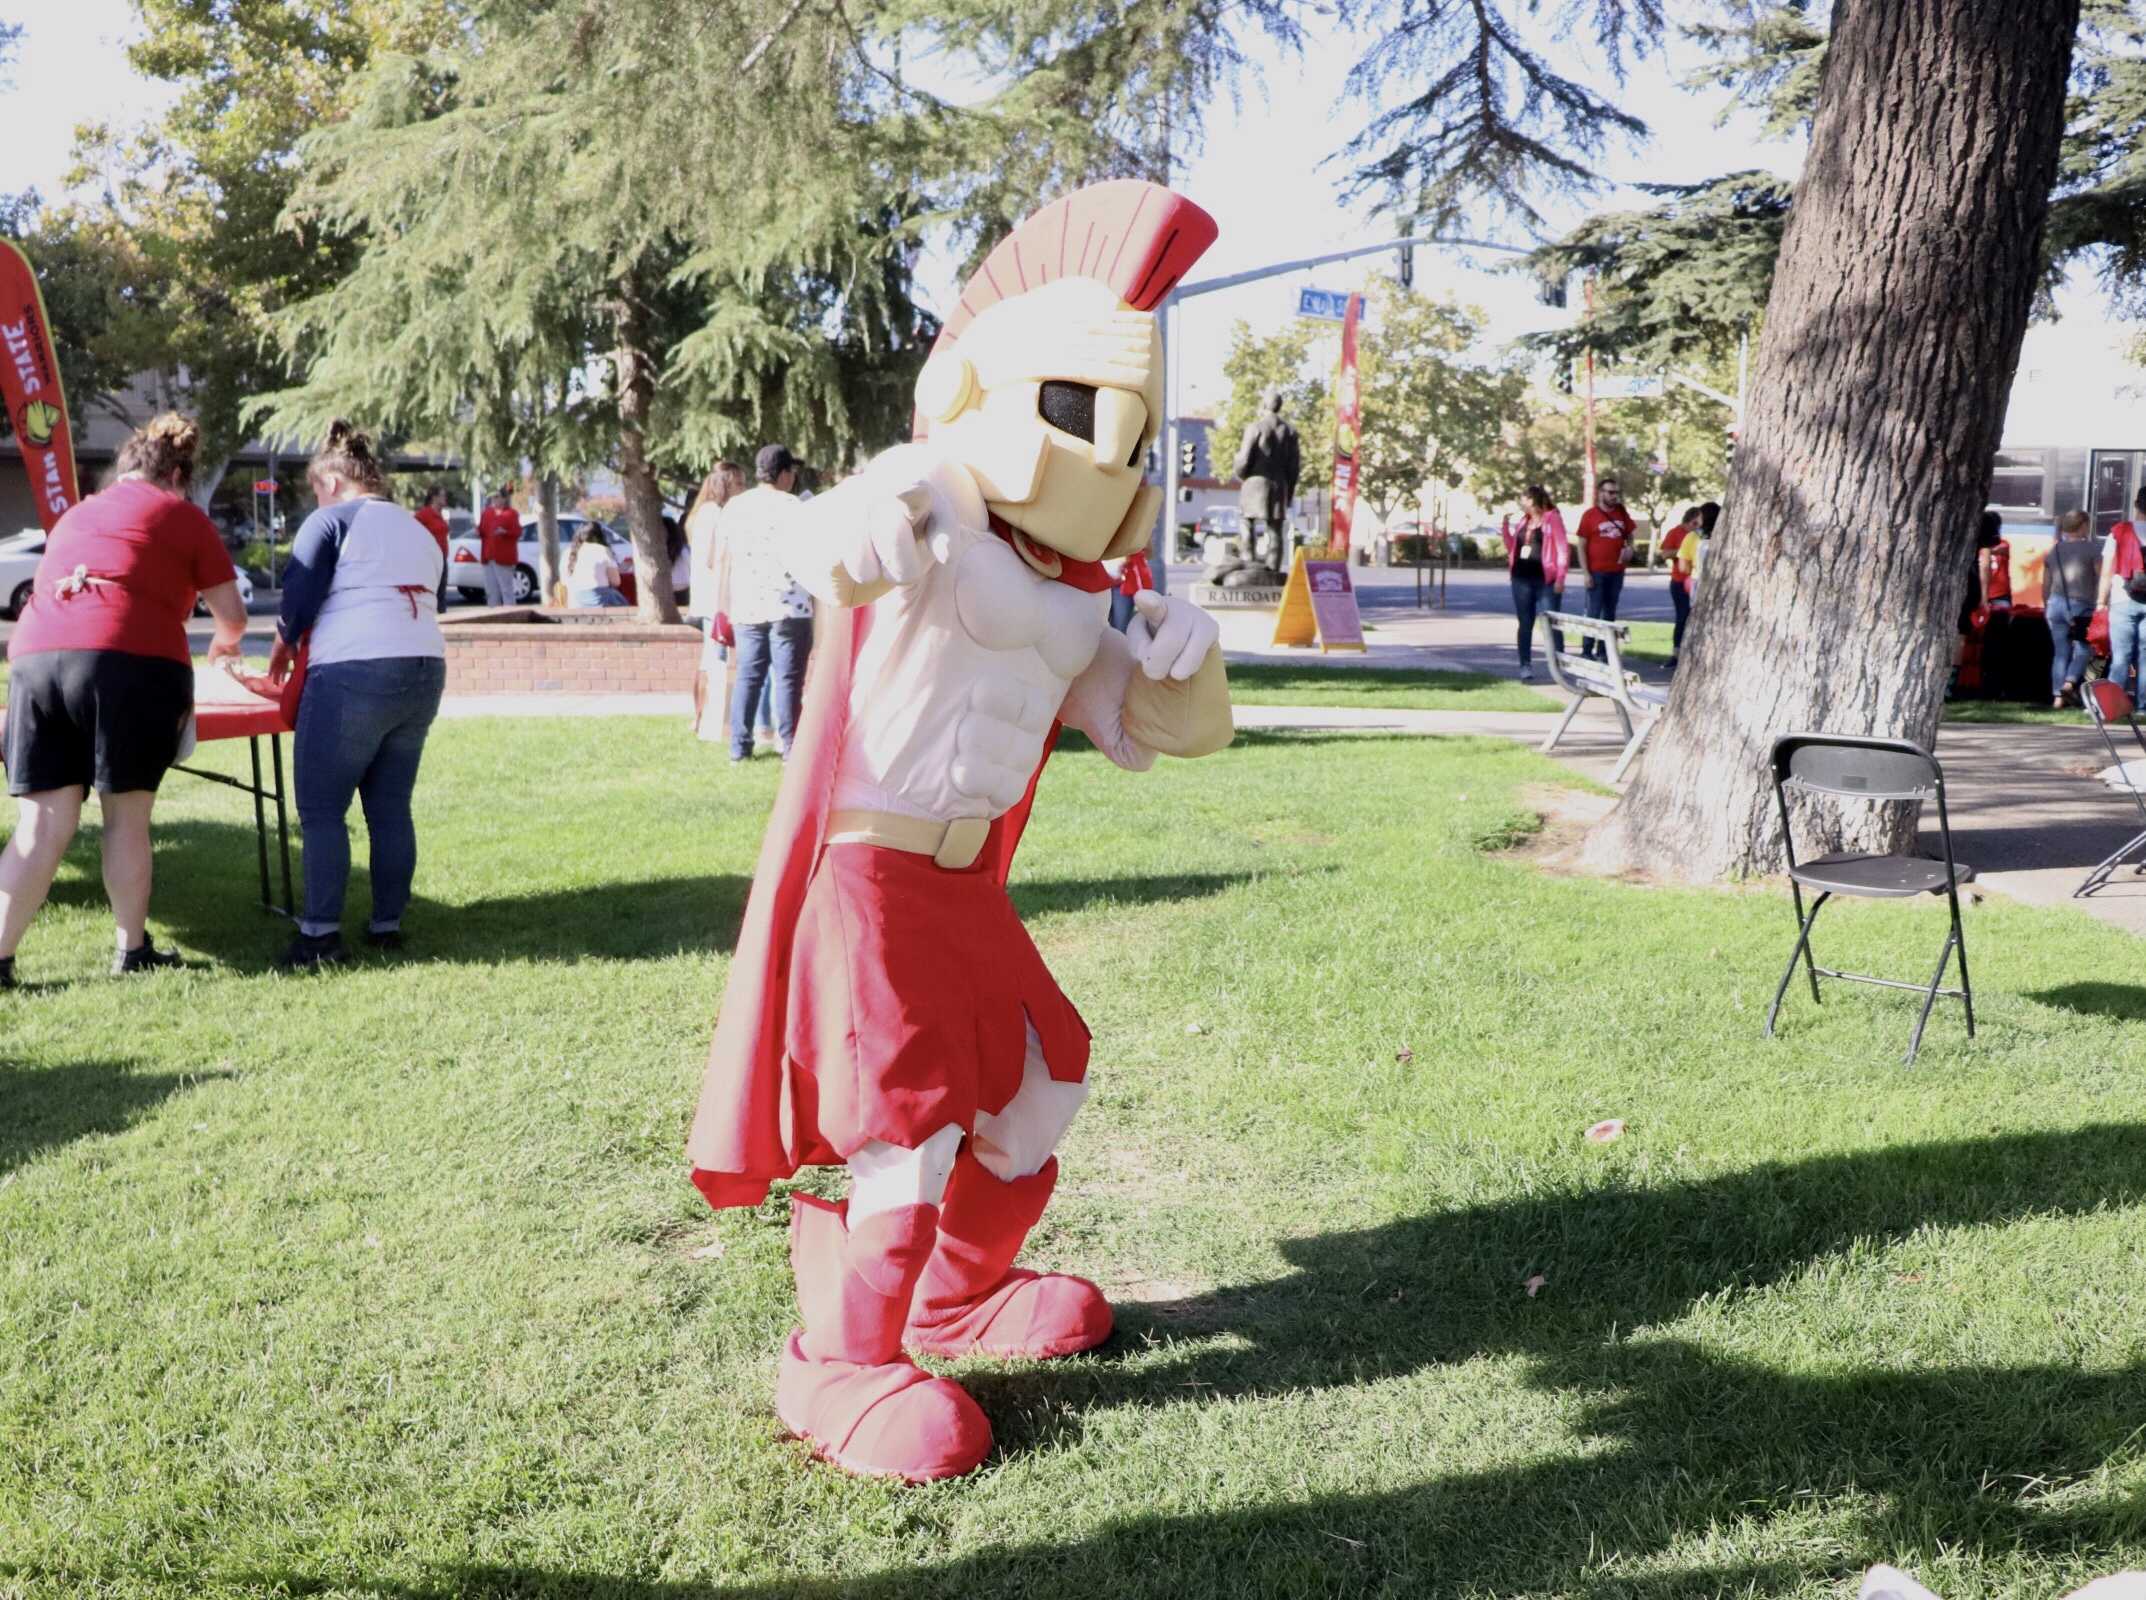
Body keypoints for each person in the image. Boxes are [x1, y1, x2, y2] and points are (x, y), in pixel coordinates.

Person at [684, 177, 1231, 1484]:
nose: (1108, 456)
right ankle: (839, 1359)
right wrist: (875, 506)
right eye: (1079, 409)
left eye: (1133, 433)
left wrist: (1187, 653)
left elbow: (1170, 733)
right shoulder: (937, 507)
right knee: (904, 1127)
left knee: (1045, 1083)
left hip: (963, 892)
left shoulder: (1074, 600)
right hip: (867, 880)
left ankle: (955, 1301)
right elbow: (847, 545)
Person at [0, 414, 247, 986]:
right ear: (179, 475)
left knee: (40, 824)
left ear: (124, 470)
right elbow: (231, 617)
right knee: (126, 816)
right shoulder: (180, 515)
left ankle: (1, 957)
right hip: (126, 657)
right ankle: (132, 950)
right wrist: (223, 649)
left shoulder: (76, 516)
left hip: (36, 656)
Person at [271, 422, 447, 969]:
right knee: (391, 806)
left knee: (323, 809)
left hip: (353, 667)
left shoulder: (330, 521)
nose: (315, 499)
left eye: (316, 489)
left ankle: (320, 936)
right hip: (423, 666)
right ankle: (387, 924)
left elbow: (298, 599)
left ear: (331, 479)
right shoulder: (418, 528)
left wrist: (278, 651)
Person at [720, 444, 814, 761]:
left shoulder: (735, 507)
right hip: (790, 604)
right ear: (785, 474)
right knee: (788, 680)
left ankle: (739, 747)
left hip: (747, 605)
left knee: (748, 676)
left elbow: (724, 555)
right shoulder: (796, 507)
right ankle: (790, 746)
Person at [1502, 485, 1569, 680]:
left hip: (1545, 580)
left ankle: (1559, 665)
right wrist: (1505, 527)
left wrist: (1560, 577)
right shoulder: (1524, 522)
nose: (1521, 503)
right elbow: (1511, 547)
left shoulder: (1552, 519)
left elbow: (1563, 549)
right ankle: (1525, 665)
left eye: (1524, 499)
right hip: (1521, 579)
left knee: (1551, 622)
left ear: (1533, 500)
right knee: (1525, 623)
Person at [1576, 474, 1637, 659]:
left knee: (1609, 613)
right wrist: (1586, 573)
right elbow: (1581, 545)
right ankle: (1587, 650)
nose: (1614, 496)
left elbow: (1629, 533)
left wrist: (1630, 548)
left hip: (1616, 572)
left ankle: (1604, 650)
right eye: (1610, 492)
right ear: (1600, 493)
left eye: (1616, 493)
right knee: (1593, 612)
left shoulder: (1621, 512)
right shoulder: (1590, 516)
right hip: (1597, 571)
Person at [2045, 509, 2101, 707]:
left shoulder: (2055, 550)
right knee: (2084, 650)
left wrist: (2046, 605)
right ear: (2083, 525)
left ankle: (2057, 698)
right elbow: (2100, 578)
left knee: (2060, 652)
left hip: (2054, 604)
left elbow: (2046, 583)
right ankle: (2069, 683)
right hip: (2081, 606)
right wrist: (2101, 602)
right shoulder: (2092, 549)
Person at [2097, 487, 2146, 703]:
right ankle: (2143, 706)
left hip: (2122, 599)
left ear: (2136, 504)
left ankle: (2113, 705)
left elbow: (2107, 570)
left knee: (2121, 657)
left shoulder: (2119, 531)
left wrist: (2101, 601)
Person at [1662, 504, 1702, 667]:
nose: (1696, 527)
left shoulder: (1700, 535)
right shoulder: (1676, 533)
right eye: (1693, 523)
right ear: (1687, 522)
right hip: (1680, 581)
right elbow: (1665, 553)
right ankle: (1676, 653)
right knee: (1682, 616)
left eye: (1698, 524)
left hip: (1696, 581)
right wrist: (1683, 549)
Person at [476, 485, 520, 608]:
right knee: (491, 592)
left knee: (506, 591)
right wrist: (478, 531)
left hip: (504, 558)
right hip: (488, 557)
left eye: (497, 497)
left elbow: (517, 532)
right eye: (493, 497)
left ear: (504, 498)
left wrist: (505, 532)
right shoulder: (487, 513)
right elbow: (482, 531)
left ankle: (511, 620)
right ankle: (493, 620)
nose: (494, 500)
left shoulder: (511, 514)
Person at [565, 524, 627, 607]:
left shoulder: (568, 552)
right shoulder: (603, 550)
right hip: (599, 600)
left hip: (574, 600)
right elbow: (616, 582)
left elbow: (565, 581)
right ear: (600, 536)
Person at [414, 484, 453, 611]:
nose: (445, 498)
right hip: (429, 560)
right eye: (442, 495)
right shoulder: (424, 514)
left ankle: (443, 624)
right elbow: (413, 531)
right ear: (434, 497)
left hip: (442, 559)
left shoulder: (440, 514)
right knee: (431, 593)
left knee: (441, 594)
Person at [1110, 546, 1154, 632]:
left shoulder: (1137, 553)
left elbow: (1149, 554)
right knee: (1117, 625)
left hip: (1125, 585)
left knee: (1121, 626)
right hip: (1113, 583)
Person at [1979, 511, 2012, 612]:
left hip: (2000, 595)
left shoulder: (2004, 544)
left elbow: (2002, 550)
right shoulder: (1978, 546)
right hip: (1980, 594)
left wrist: (1984, 549)